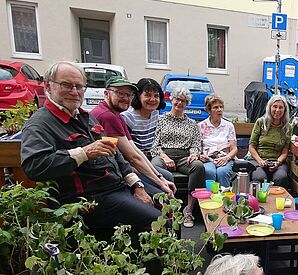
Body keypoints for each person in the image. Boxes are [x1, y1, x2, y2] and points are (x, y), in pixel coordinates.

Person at [20, 61, 160, 237]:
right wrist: (83, 153)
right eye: (66, 85)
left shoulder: (87, 117)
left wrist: (136, 184)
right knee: (160, 222)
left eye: (79, 86)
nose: (74, 91)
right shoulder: (40, 123)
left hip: (118, 187)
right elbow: (34, 166)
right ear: (48, 86)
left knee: (166, 202)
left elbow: (116, 155)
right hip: (92, 199)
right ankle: (150, 263)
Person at [91, 77, 175, 197]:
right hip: (110, 175)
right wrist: (160, 183)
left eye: (129, 94)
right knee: (162, 195)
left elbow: (134, 150)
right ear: (106, 93)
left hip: (123, 166)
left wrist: (160, 177)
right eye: (120, 93)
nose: (125, 98)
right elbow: (132, 157)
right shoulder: (108, 116)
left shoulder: (116, 115)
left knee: (165, 178)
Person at [150, 88, 205, 228]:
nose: (180, 103)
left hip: (184, 157)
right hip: (164, 155)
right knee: (155, 165)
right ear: (171, 99)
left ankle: (189, 210)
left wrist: (194, 154)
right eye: (177, 99)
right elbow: (154, 145)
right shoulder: (161, 120)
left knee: (198, 166)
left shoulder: (192, 123)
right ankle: (166, 209)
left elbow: (196, 144)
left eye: (184, 101)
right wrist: (164, 156)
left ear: (187, 104)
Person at [247, 95, 291, 187]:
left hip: (277, 161)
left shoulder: (287, 127)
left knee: (281, 177)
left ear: (285, 110)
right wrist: (260, 161)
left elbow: (285, 150)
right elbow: (251, 147)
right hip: (258, 160)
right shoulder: (261, 122)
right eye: (275, 106)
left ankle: (278, 200)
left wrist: (278, 162)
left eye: (281, 107)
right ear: (269, 107)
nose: (277, 110)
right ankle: (259, 200)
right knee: (259, 177)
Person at [121, 78, 166, 158]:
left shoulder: (155, 113)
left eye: (156, 96)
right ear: (138, 96)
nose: (152, 99)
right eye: (147, 95)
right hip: (134, 160)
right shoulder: (128, 117)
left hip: (150, 157)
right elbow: (125, 150)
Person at [198, 94, 237, 187]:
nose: (219, 110)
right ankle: (209, 200)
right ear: (209, 110)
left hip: (225, 158)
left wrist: (226, 158)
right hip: (208, 158)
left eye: (221, 107)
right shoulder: (201, 126)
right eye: (215, 107)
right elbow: (197, 147)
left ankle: (225, 200)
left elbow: (234, 149)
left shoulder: (228, 125)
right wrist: (200, 155)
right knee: (209, 171)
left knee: (222, 172)